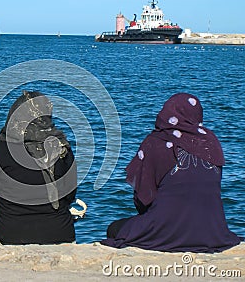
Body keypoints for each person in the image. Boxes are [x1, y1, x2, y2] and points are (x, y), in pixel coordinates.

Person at [101, 93, 241, 253]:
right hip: (212, 232)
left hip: (165, 229)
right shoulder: (211, 142)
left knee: (114, 229)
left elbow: (143, 197)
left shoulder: (156, 141)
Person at [0, 91, 77, 245]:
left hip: (11, 231)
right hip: (58, 231)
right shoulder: (61, 145)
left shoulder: (2, 144)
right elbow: (70, 194)